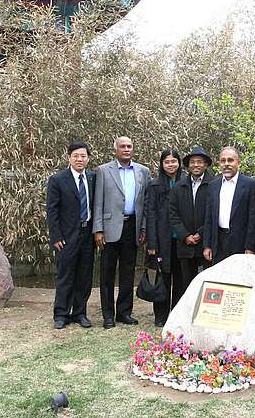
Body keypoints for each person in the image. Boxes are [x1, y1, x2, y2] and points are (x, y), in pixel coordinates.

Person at [93, 136, 150, 329]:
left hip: (132, 227)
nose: (126, 149)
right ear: (115, 149)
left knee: (128, 271)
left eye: (129, 146)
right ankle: (108, 315)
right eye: (122, 146)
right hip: (109, 228)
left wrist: (143, 228)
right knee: (107, 273)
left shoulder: (143, 171)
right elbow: (98, 201)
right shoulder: (103, 170)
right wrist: (98, 229)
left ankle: (124, 312)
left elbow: (145, 203)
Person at [46, 142, 96, 330]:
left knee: (84, 275)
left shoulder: (92, 178)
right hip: (66, 237)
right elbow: (52, 210)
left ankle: (80, 313)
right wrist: (56, 236)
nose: (80, 159)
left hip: (87, 234)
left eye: (83, 156)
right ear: (69, 157)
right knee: (65, 275)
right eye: (76, 156)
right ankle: (61, 314)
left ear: (88, 158)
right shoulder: (58, 179)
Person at [146, 149, 186, 327]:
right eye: (167, 162)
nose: (171, 165)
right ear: (162, 165)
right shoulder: (154, 186)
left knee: (181, 278)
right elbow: (151, 215)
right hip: (162, 240)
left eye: (174, 161)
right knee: (163, 277)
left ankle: (177, 313)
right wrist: (152, 242)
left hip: (182, 239)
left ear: (179, 163)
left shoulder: (186, 183)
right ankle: (160, 315)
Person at [169, 146, 214, 296]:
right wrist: (185, 235)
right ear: (188, 166)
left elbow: (214, 213)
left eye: (200, 162)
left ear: (206, 164)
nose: (196, 165)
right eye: (193, 162)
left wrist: (200, 233)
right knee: (186, 283)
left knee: (208, 283)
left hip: (206, 243)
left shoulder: (214, 185)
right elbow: (173, 214)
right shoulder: (178, 187)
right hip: (185, 244)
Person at [203, 147, 255, 264]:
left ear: (238, 162)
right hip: (218, 243)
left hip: (240, 243)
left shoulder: (251, 185)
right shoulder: (213, 186)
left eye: (230, 160)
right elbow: (209, 218)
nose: (226, 164)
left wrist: (250, 247)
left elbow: (253, 219)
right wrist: (207, 245)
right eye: (223, 161)